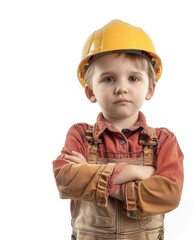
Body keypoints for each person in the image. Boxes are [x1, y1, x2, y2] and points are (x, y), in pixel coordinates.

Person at [52, 19, 184, 240]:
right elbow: (66, 180)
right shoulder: (80, 135)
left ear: (149, 89)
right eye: (108, 78)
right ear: (90, 92)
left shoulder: (162, 139)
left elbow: (169, 194)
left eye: (133, 78)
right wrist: (134, 173)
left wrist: (93, 176)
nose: (121, 88)